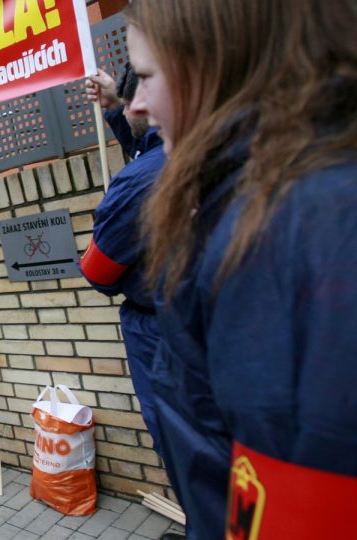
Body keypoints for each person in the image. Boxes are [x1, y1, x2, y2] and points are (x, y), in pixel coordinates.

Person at [126, 1, 357, 538]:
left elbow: (299, 505)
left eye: (145, 76)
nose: (136, 105)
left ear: (215, 60)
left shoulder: (287, 228)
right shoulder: (277, 194)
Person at [80, 65, 168, 458]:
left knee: (177, 440)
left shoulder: (138, 182)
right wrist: (114, 105)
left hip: (161, 332)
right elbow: (142, 144)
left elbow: (98, 271)